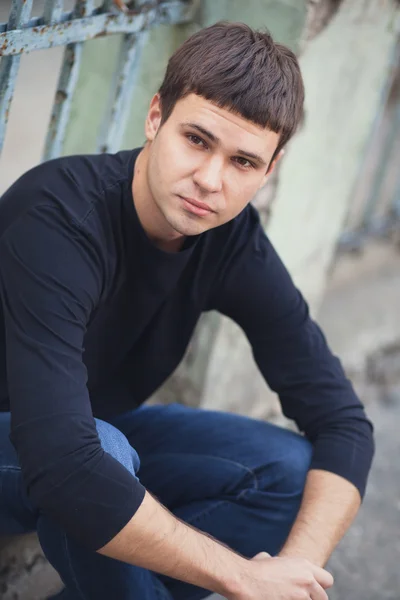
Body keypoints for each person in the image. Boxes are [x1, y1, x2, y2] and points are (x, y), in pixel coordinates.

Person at [0, 21, 374, 600]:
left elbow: (342, 423)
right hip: (36, 448)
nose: (209, 180)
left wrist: (292, 576)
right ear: (155, 118)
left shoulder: (231, 239)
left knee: (286, 469)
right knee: (102, 458)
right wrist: (243, 576)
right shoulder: (57, 216)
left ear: (268, 171)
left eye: (243, 162)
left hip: (85, 441)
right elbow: (65, 464)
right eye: (196, 140)